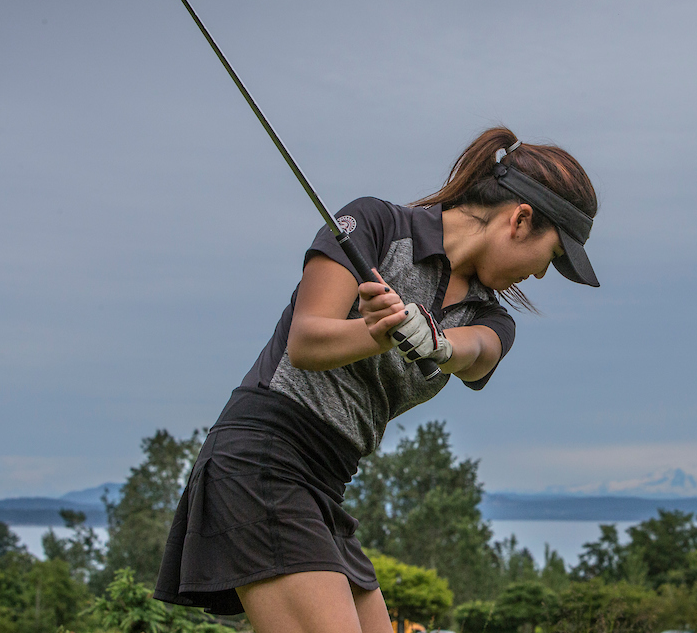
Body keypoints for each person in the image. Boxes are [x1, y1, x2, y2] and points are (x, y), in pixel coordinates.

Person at [153, 127, 599, 633]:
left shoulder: (492, 316)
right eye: (554, 255)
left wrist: (437, 343)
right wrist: (380, 332)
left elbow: (476, 353)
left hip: (327, 481)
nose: (543, 274)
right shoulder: (376, 225)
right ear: (520, 220)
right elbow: (307, 342)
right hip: (262, 457)